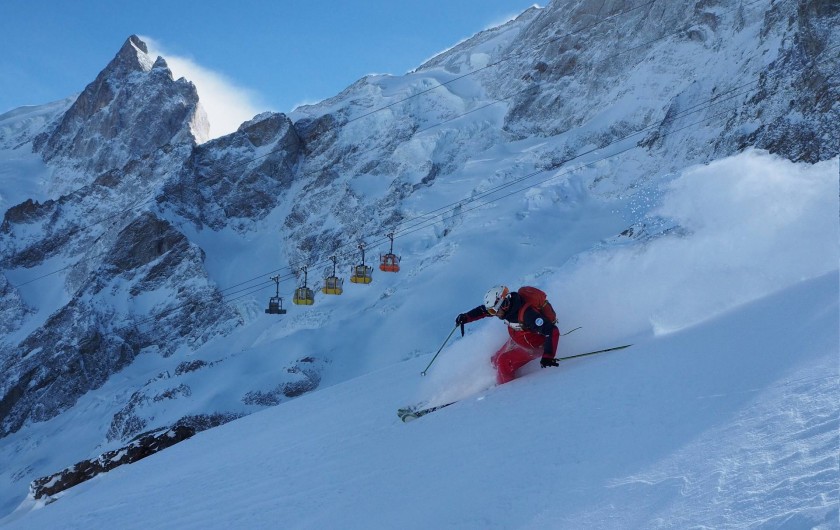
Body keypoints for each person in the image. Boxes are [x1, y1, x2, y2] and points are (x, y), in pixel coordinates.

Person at [456, 285, 560, 384]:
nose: (493, 314)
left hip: (534, 347)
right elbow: (483, 310)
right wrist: (466, 317)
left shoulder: (528, 314)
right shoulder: (506, 308)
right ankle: (496, 379)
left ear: (503, 304)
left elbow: (552, 331)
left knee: (503, 362)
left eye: (494, 311)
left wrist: (548, 356)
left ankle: (506, 390)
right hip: (519, 338)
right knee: (495, 359)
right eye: (492, 311)